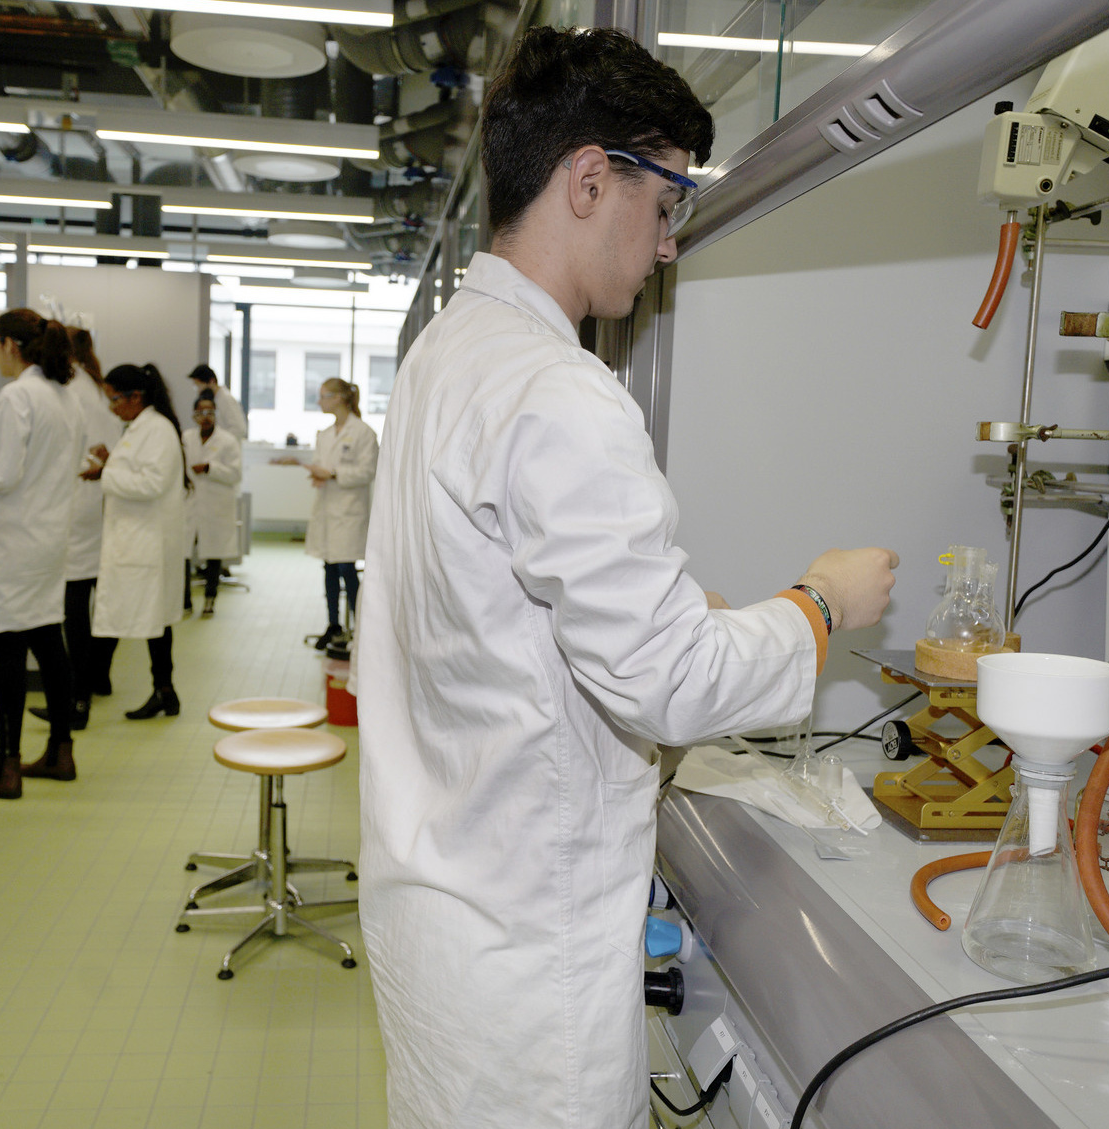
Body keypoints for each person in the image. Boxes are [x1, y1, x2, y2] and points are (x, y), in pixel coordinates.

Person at [353, 26, 899, 1129]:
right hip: (523, 961)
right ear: (590, 178)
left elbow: (496, 603)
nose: (665, 247)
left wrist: (660, 615)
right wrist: (822, 604)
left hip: (443, 911)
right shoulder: (560, 389)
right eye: (668, 206)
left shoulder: (449, 354)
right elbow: (668, 684)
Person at [0, 308, 84, 798]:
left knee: (8, 651)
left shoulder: (17, 396)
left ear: (11, 344)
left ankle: (5, 766)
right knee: (49, 642)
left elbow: (3, 470)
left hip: (15, 540)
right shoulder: (64, 399)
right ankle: (60, 750)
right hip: (49, 538)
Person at [27, 326, 123, 731]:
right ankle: (94, 680)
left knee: (75, 606)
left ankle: (75, 699)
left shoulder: (71, 390)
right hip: (97, 504)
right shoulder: (97, 387)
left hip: (80, 501)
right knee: (94, 601)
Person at [92, 363, 188, 721]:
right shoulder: (139, 428)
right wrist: (112, 462)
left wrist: (107, 473)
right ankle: (165, 692)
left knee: (128, 621)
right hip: (136, 542)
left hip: (145, 543)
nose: (112, 406)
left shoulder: (157, 430)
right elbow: (136, 472)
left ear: (136, 396)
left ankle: (80, 700)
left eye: (115, 399)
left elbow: (151, 484)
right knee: (151, 623)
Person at [274, 377, 377, 649]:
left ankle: (361, 629)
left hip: (349, 510)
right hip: (328, 507)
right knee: (329, 565)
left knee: (346, 566)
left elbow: (368, 472)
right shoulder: (325, 434)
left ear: (339, 398)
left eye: (323, 396)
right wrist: (318, 474)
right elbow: (322, 464)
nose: (319, 402)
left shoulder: (363, 432)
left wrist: (331, 474)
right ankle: (334, 625)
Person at [182, 391, 243, 618]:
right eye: (200, 413)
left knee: (214, 553)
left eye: (210, 412)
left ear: (216, 414)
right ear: (194, 415)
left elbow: (235, 474)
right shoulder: (186, 438)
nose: (205, 417)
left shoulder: (227, 441)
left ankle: (210, 599)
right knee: (183, 553)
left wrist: (210, 469)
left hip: (215, 504)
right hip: (189, 503)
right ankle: (184, 601)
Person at [188, 363, 247, 441]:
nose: (198, 390)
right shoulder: (214, 399)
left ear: (211, 381)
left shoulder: (226, 399)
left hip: (226, 449)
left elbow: (239, 429)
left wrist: (219, 442)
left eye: (199, 385)